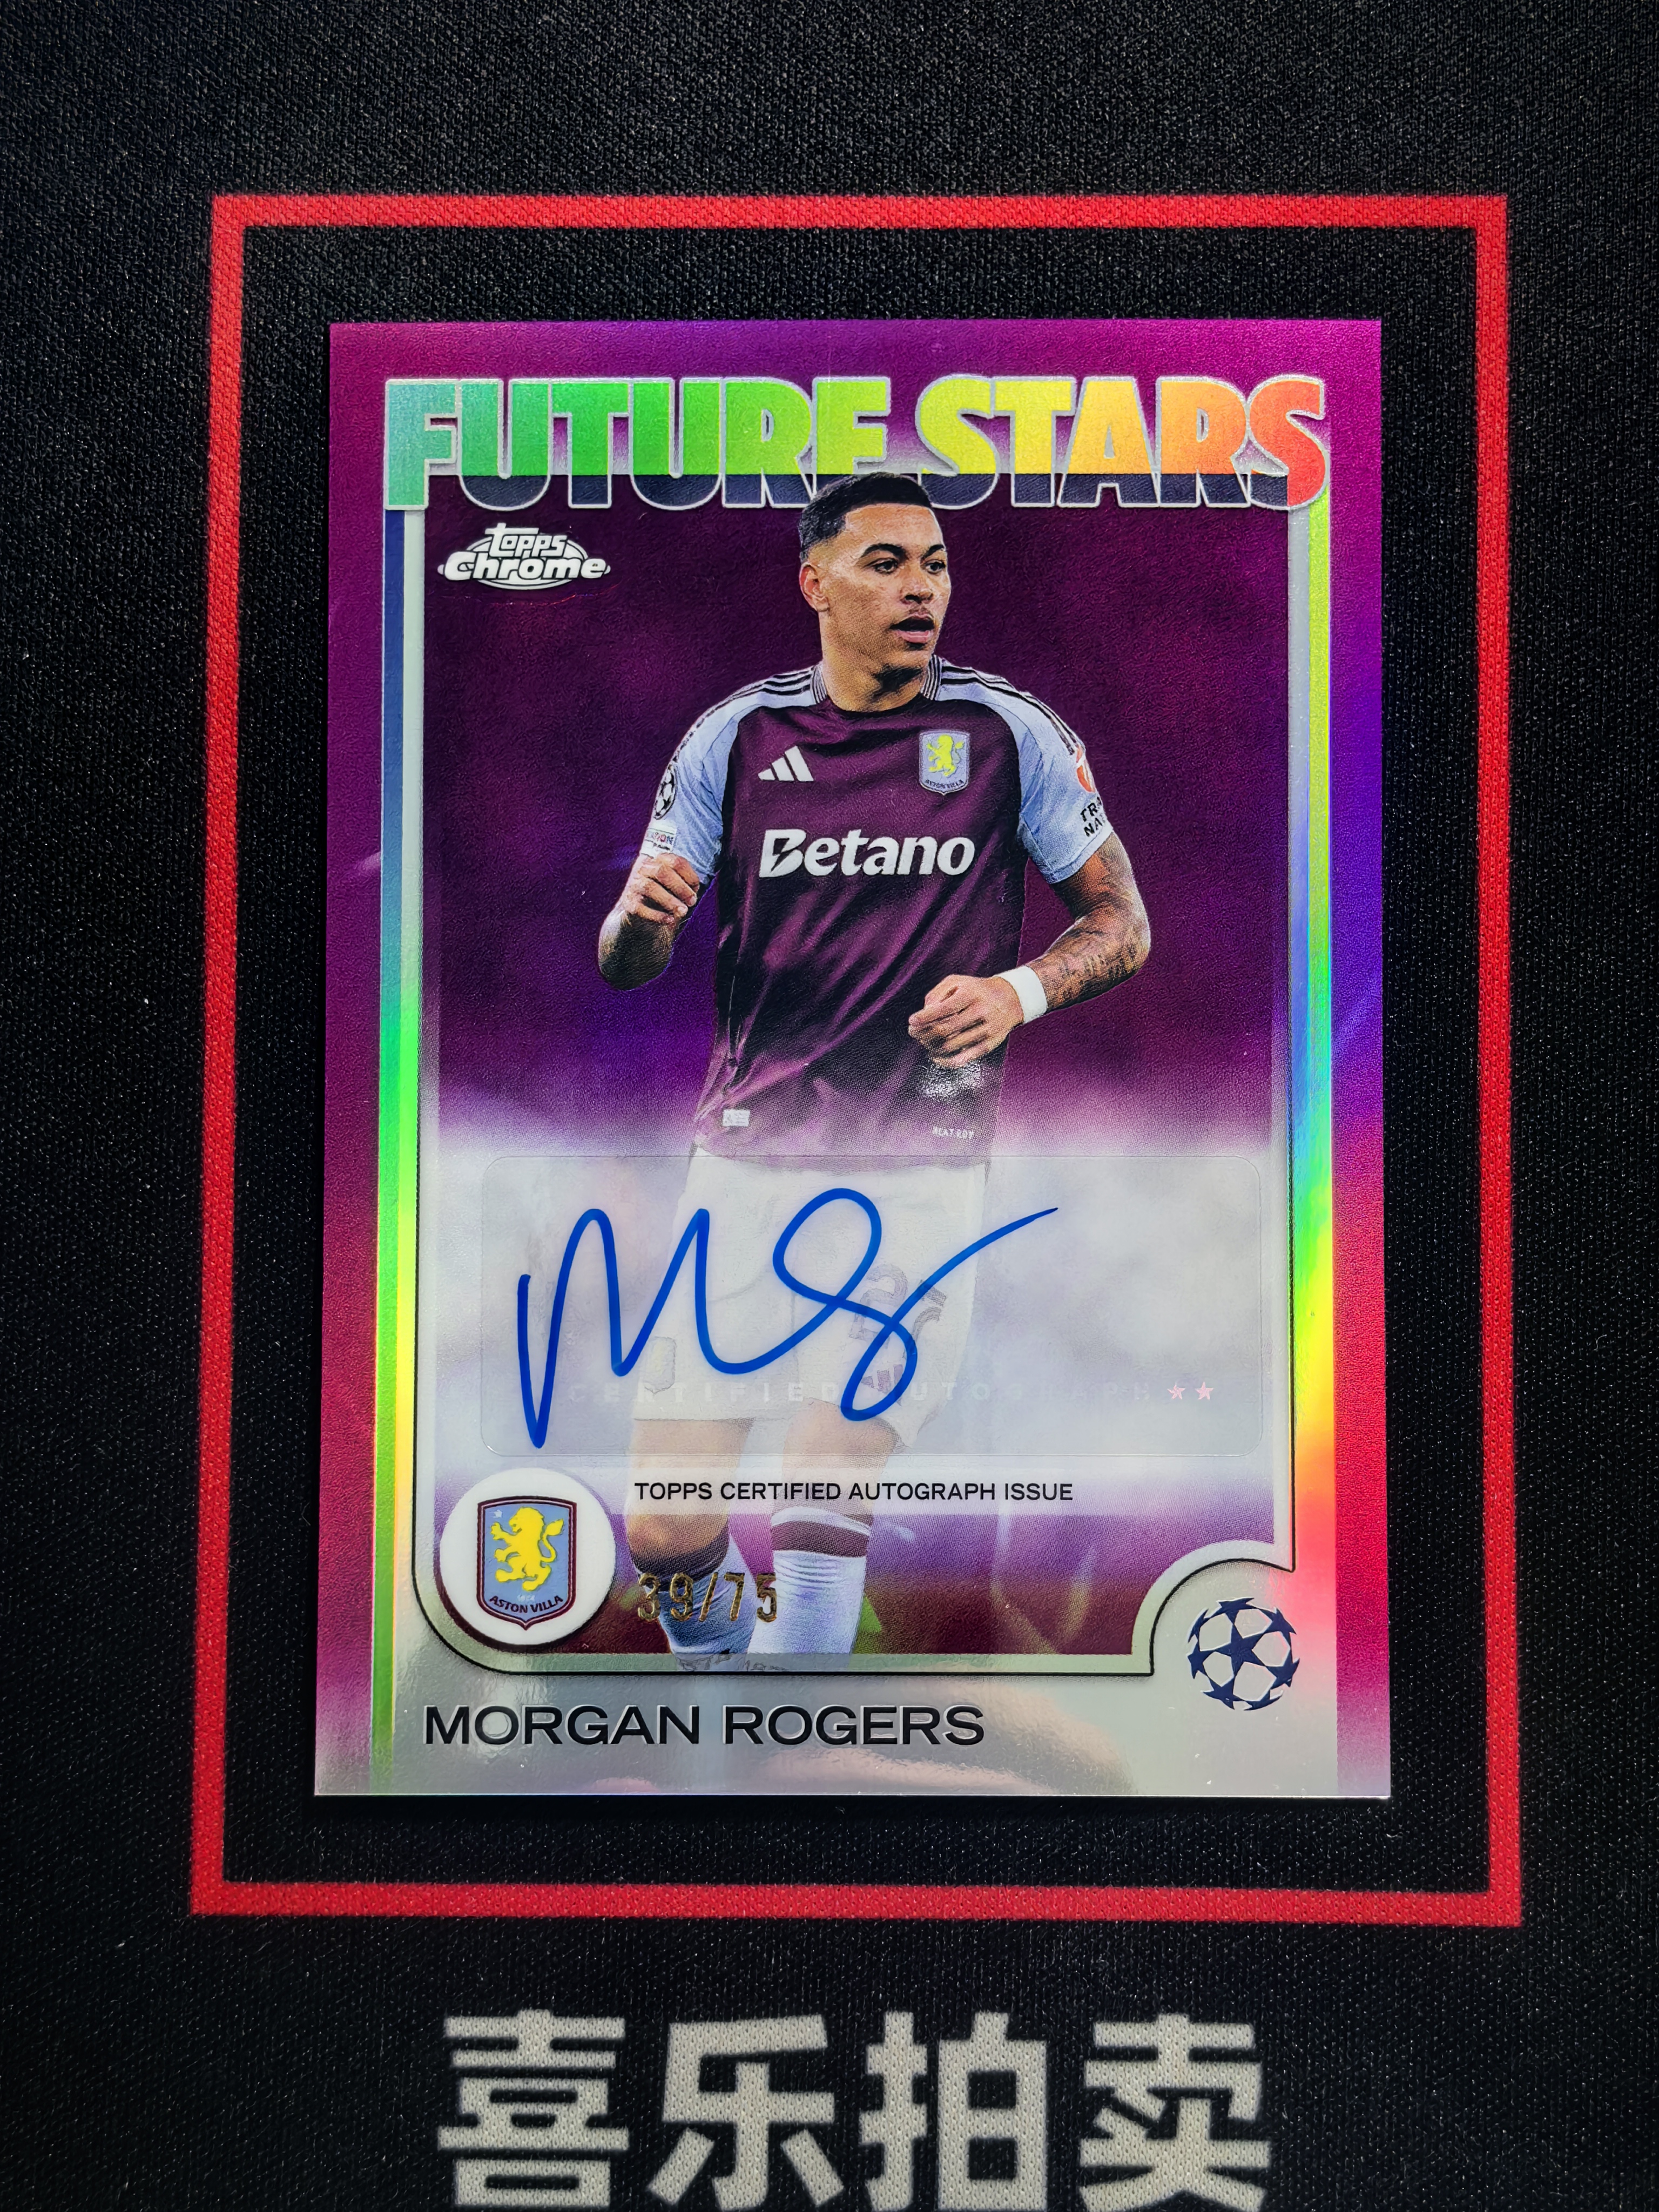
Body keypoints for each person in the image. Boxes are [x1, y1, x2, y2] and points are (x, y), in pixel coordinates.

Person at [597, 473, 1149, 1662]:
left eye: (935, 564)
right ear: (816, 582)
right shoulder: (738, 737)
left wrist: (1016, 991)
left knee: (819, 1490)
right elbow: (626, 961)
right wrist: (640, 920)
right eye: (887, 563)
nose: (921, 589)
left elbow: (1121, 922)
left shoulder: (1009, 734)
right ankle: (726, 1710)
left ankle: (790, 1733)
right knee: (667, 1532)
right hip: (746, 1158)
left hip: (919, 1165)